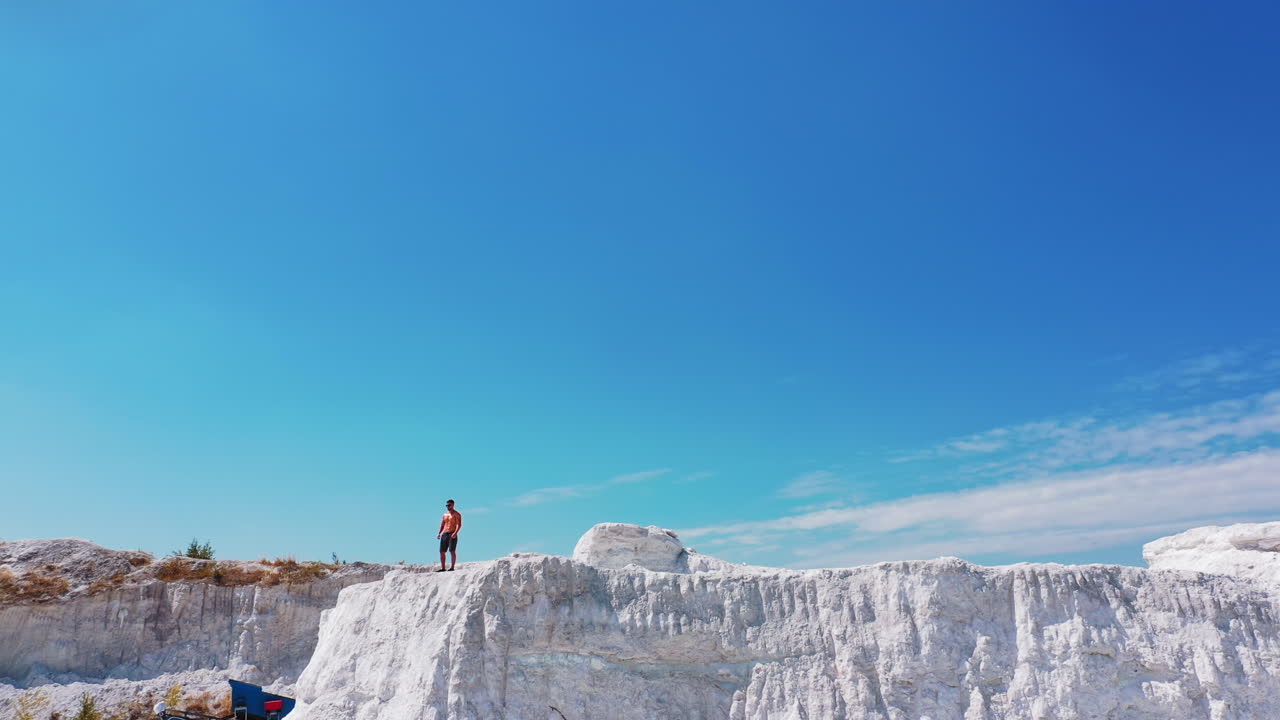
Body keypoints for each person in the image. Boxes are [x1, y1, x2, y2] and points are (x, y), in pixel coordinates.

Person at [436, 499, 462, 572]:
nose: (448, 506)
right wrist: (439, 533)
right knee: (442, 551)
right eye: (447, 505)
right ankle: (443, 568)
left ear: (453, 505)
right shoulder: (445, 515)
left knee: (452, 550)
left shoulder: (457, 514)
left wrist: (455, 533)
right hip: (445, 533)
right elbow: (442, 524)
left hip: (452, 532)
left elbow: (459, 525)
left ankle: (452, 567)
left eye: (449, 505)